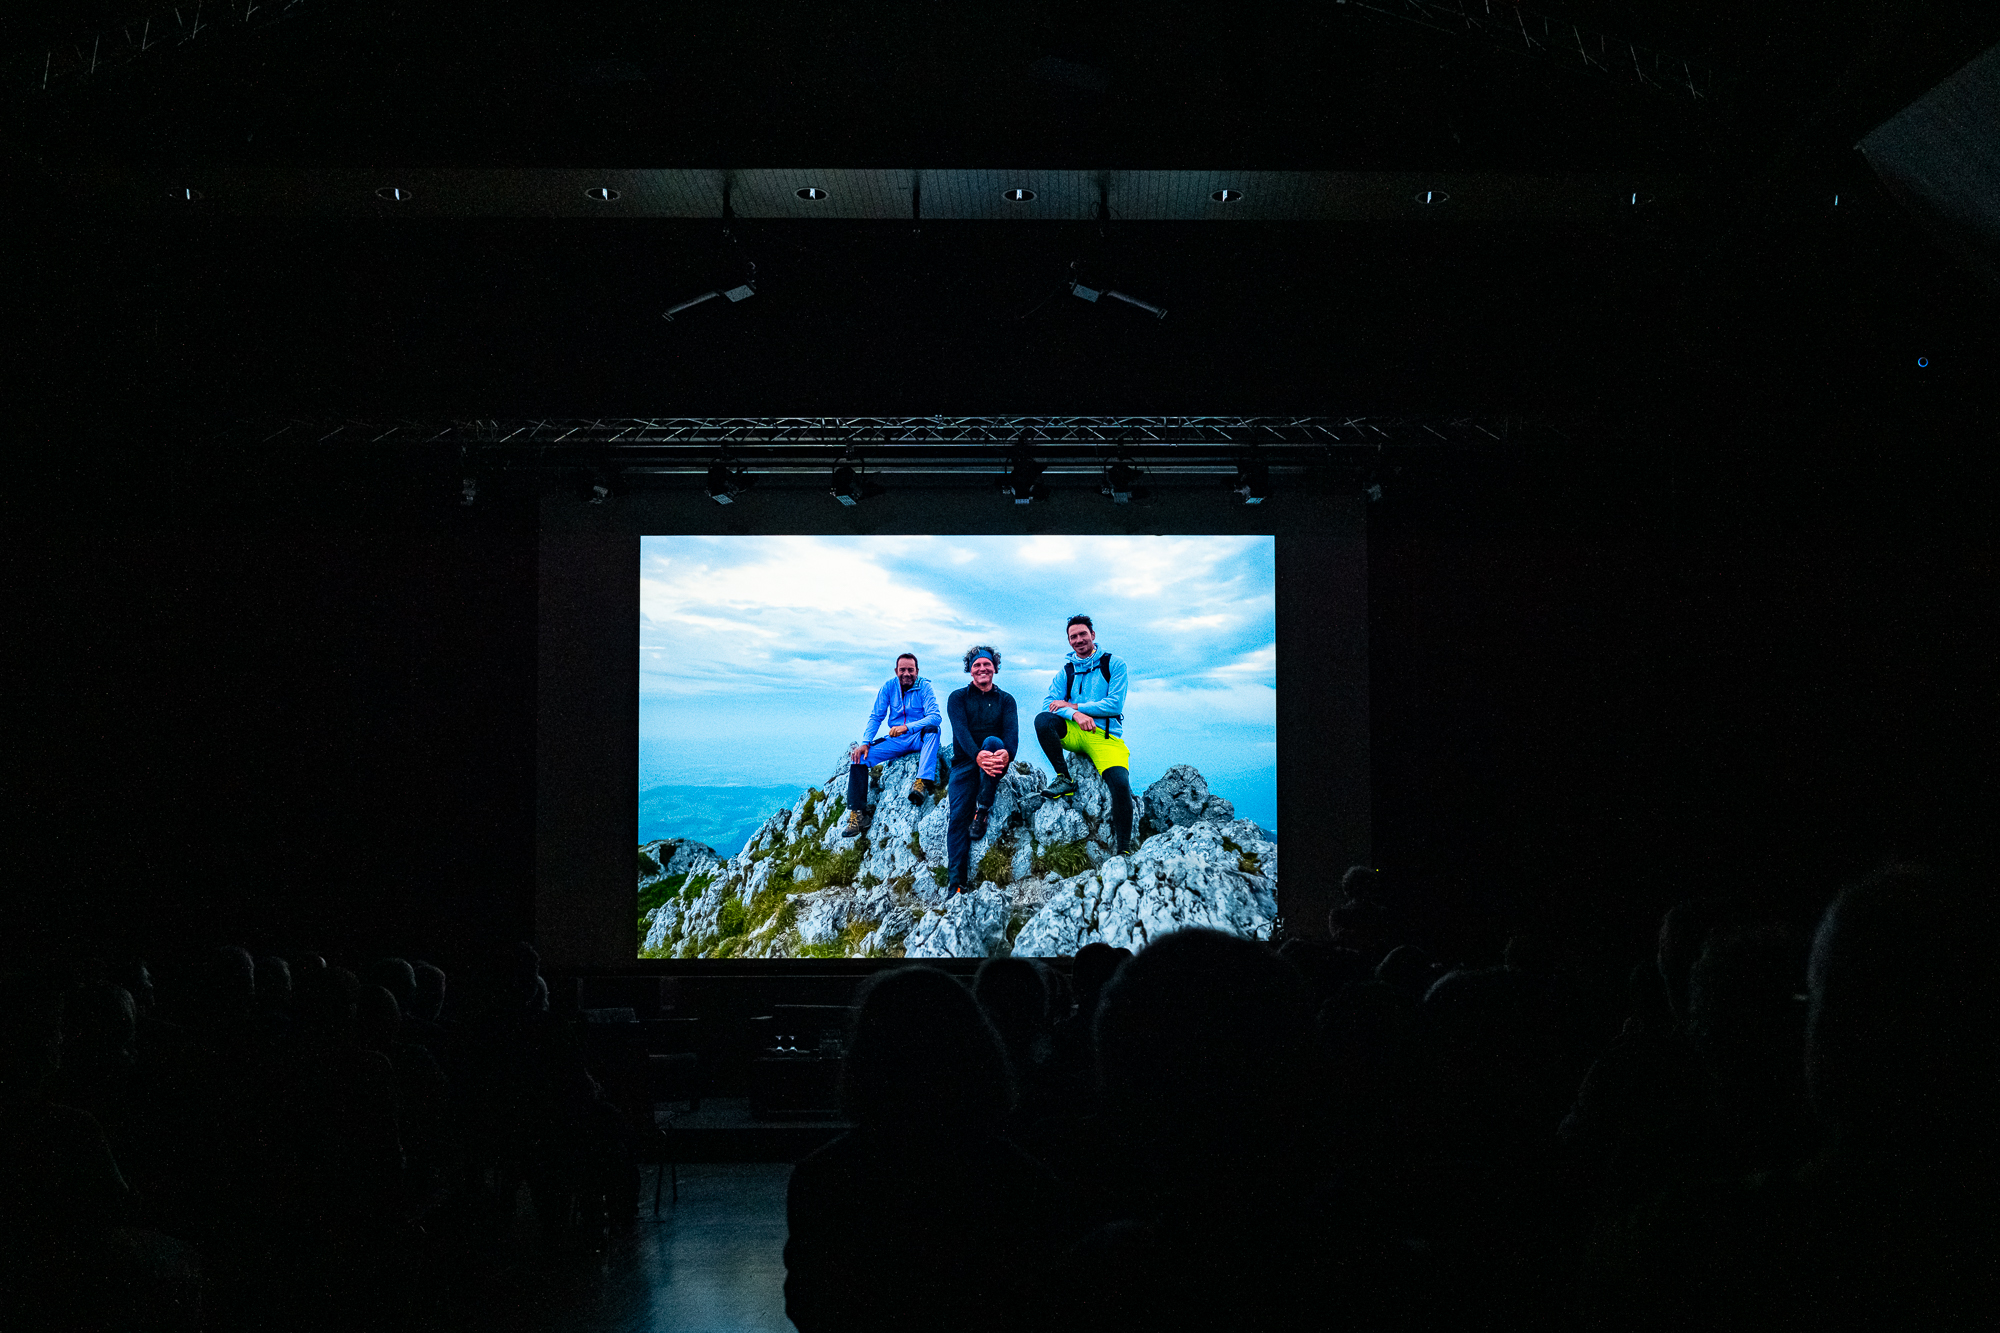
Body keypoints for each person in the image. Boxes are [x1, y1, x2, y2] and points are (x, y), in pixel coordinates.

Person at [1034, 614, 1135, 855]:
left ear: (1093, 635)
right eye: (1073, 637)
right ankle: (1064, 778)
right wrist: (1075, 715)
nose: (1079, 640)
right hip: (1074, 732)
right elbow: (1049, 704)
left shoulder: (1114, 664)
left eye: (1083, 634)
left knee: (1120, 784)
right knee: (1043, 721)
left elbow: (1114, 704)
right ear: (1069, 641)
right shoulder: (1067, 671)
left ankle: (1123, 850)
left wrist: (1075, 706)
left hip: (1105, 736)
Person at [842, 652, 943, 836]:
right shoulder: (889, 687)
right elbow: (876, 716)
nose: (907, 674)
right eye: (902, 670)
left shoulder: (925, 687)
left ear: (917, 671)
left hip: (917, 736)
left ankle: (921, 782)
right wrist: (865, 742)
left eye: (910, 670)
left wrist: (907, 727)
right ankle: (858, 814)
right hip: (896, 740)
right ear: (896, 671)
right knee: (859, 758)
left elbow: (935, 717)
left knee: (933, 730)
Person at [944, 645, 1017, 894]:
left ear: (995, 667)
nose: (982, 668)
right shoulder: (957, 698)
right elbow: (961, 732)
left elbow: (1011, 736)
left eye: (987, 664)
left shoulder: (1006, 700)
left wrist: (1009, 754)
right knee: (957, 819)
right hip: (965, 762)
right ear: (970, 670)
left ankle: (982, 809)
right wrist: (977, 756)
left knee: (994, 742)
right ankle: (957, 885)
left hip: (994, 761)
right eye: (977, 665)